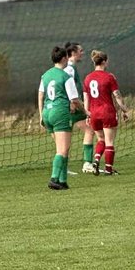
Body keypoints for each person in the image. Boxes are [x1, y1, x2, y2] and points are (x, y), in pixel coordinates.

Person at [40, 45, 84, 190]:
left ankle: (62, 180)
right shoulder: (65, 76)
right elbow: (75, 99)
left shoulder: (45, 75)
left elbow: (40, 95)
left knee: (63, 147)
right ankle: (54, 178)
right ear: (65, 58)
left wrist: (41, 115)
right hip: (60, 113)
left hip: (47, 113)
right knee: (62, 150)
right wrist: (86, 112)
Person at [83, 49, 130, 174]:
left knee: (100, 139)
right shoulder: (109, 77)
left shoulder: (87, 78)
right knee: (109, 141)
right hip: (107, 112)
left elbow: (86, 97)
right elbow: (117, 95)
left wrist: (87, 113)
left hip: (93, 113)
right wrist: (124, 109)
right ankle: (109, 169)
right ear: (104, 61)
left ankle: (96, 160)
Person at [63, 42, 96, 172]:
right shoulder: (69, 69)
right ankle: (87, 163)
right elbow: (66, 86)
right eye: (80, 50)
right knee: (89, 130)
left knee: (66, 136)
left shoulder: (70, 67)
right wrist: (72, 102)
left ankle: (63, 167)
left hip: (69, 105)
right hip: (72, 105)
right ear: (73, 53)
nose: (82, 53)